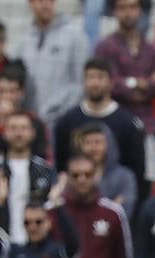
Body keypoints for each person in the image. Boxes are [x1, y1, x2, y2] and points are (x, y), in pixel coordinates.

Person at [53, 58, 148, 200]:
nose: (95, 83)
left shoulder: (128, 123)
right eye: (90, 77)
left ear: (111, 82)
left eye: (100, 77)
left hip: (116, 197)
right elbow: (61, 165)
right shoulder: (67, 121)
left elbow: (137, 169)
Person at [0, 111, 58, 248]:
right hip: (1, 245)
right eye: (13, 128)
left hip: (38, 246)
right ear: (4, 133)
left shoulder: (46, 170)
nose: (18, 133)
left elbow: (52, 209)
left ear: (33, 132)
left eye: (23, 128)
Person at [93, 0, 155, 139]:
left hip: (146, 125)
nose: (128, 13)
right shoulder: (105, 47)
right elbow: (108, 84)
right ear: (115, 11)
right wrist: (140, 84)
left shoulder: (151, 49)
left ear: (140, 10)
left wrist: (130, 83)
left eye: (132, 7)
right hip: (113, 126)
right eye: (122, 8)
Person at [17, 0, 89, 124]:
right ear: (30, 3)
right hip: (31, 124)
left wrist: (62, 112)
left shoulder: (75, 36)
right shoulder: (24, 40)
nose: (45, 4)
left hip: (64, 121)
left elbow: (81, 83)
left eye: (50, 0)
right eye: (39, 1)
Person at [0, 69, 51, 164]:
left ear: (21, 93)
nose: (7, 96)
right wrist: (1, 125)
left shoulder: (35, 123)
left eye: (12, 91)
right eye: (2, 91)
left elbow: (42, 157)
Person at [76, 122, 137, 218]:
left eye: (97, 142)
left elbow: (123, 213)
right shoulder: (75, 175)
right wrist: (112, 205)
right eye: (87, 143)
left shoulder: (125, 176)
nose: (93, 148)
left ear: (109, 144)